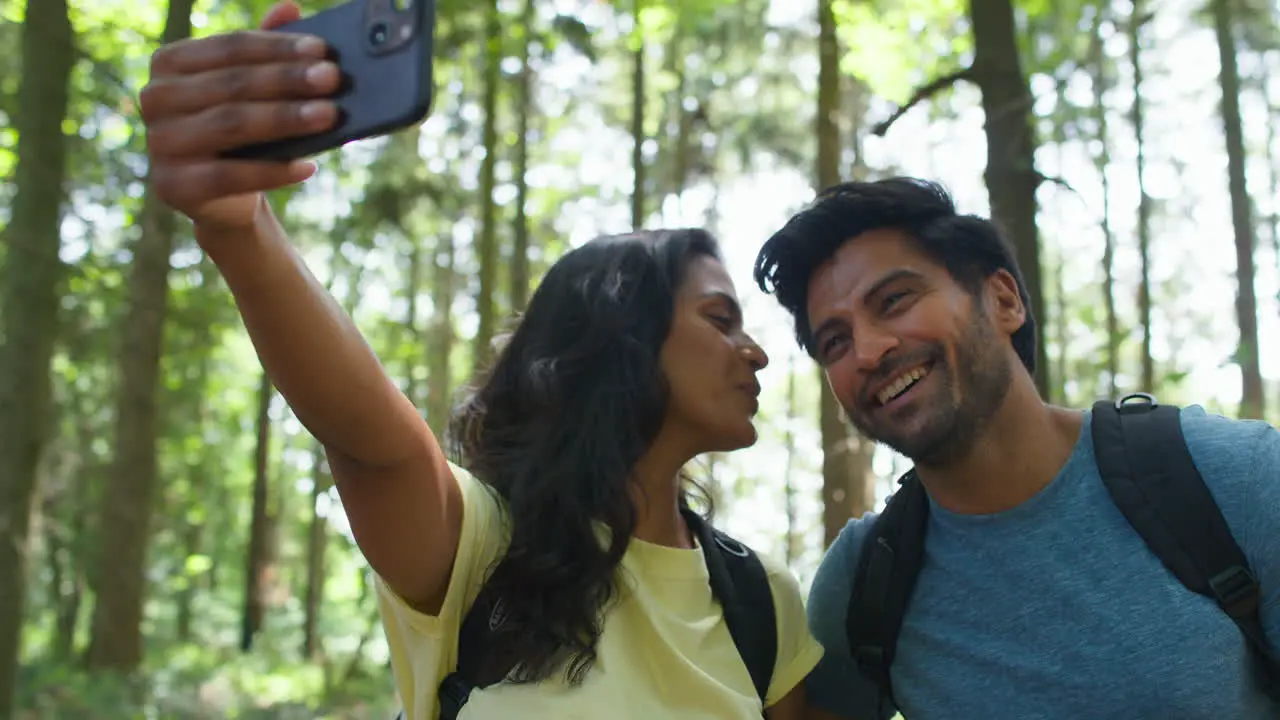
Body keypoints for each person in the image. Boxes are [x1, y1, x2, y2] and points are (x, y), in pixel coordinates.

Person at [137, 2, 822, 718]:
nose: (758, 353)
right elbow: (369, 438)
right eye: (720, 319)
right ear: (624, 334)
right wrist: (242, 231)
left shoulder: (760, 602)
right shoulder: (482, 545)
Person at [752, 177, 1280, 718]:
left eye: (894, 301)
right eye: (835, 340)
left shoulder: (1235, 477)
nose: (868, 350)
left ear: (1003, 300)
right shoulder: (863, 583)